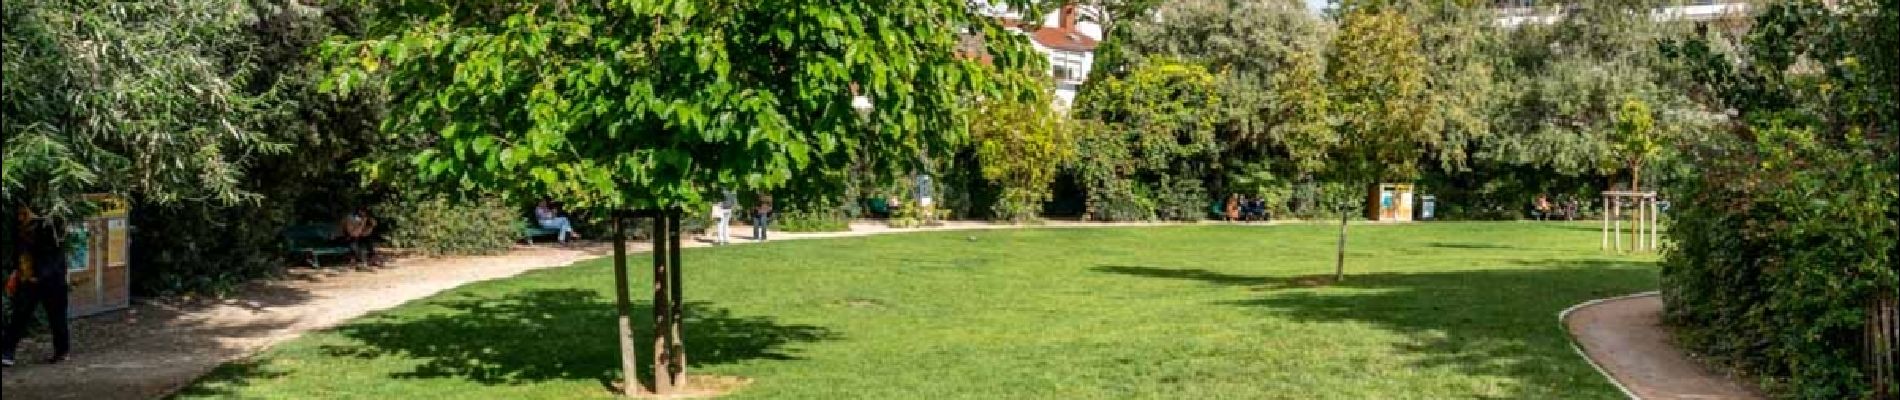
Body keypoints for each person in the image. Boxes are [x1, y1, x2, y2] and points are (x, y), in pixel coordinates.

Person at [2, 208, 72, 367]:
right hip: (30, 276)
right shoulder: (20, 227)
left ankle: (62, 351)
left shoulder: (49, 225)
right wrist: (17, 271)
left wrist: (39, 276)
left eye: (23, 214)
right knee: (19, 315)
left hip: (50, 277)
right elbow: (19, 250)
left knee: (57, 317)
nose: (20, 217)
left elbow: (54, 253)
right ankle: (7, 351)